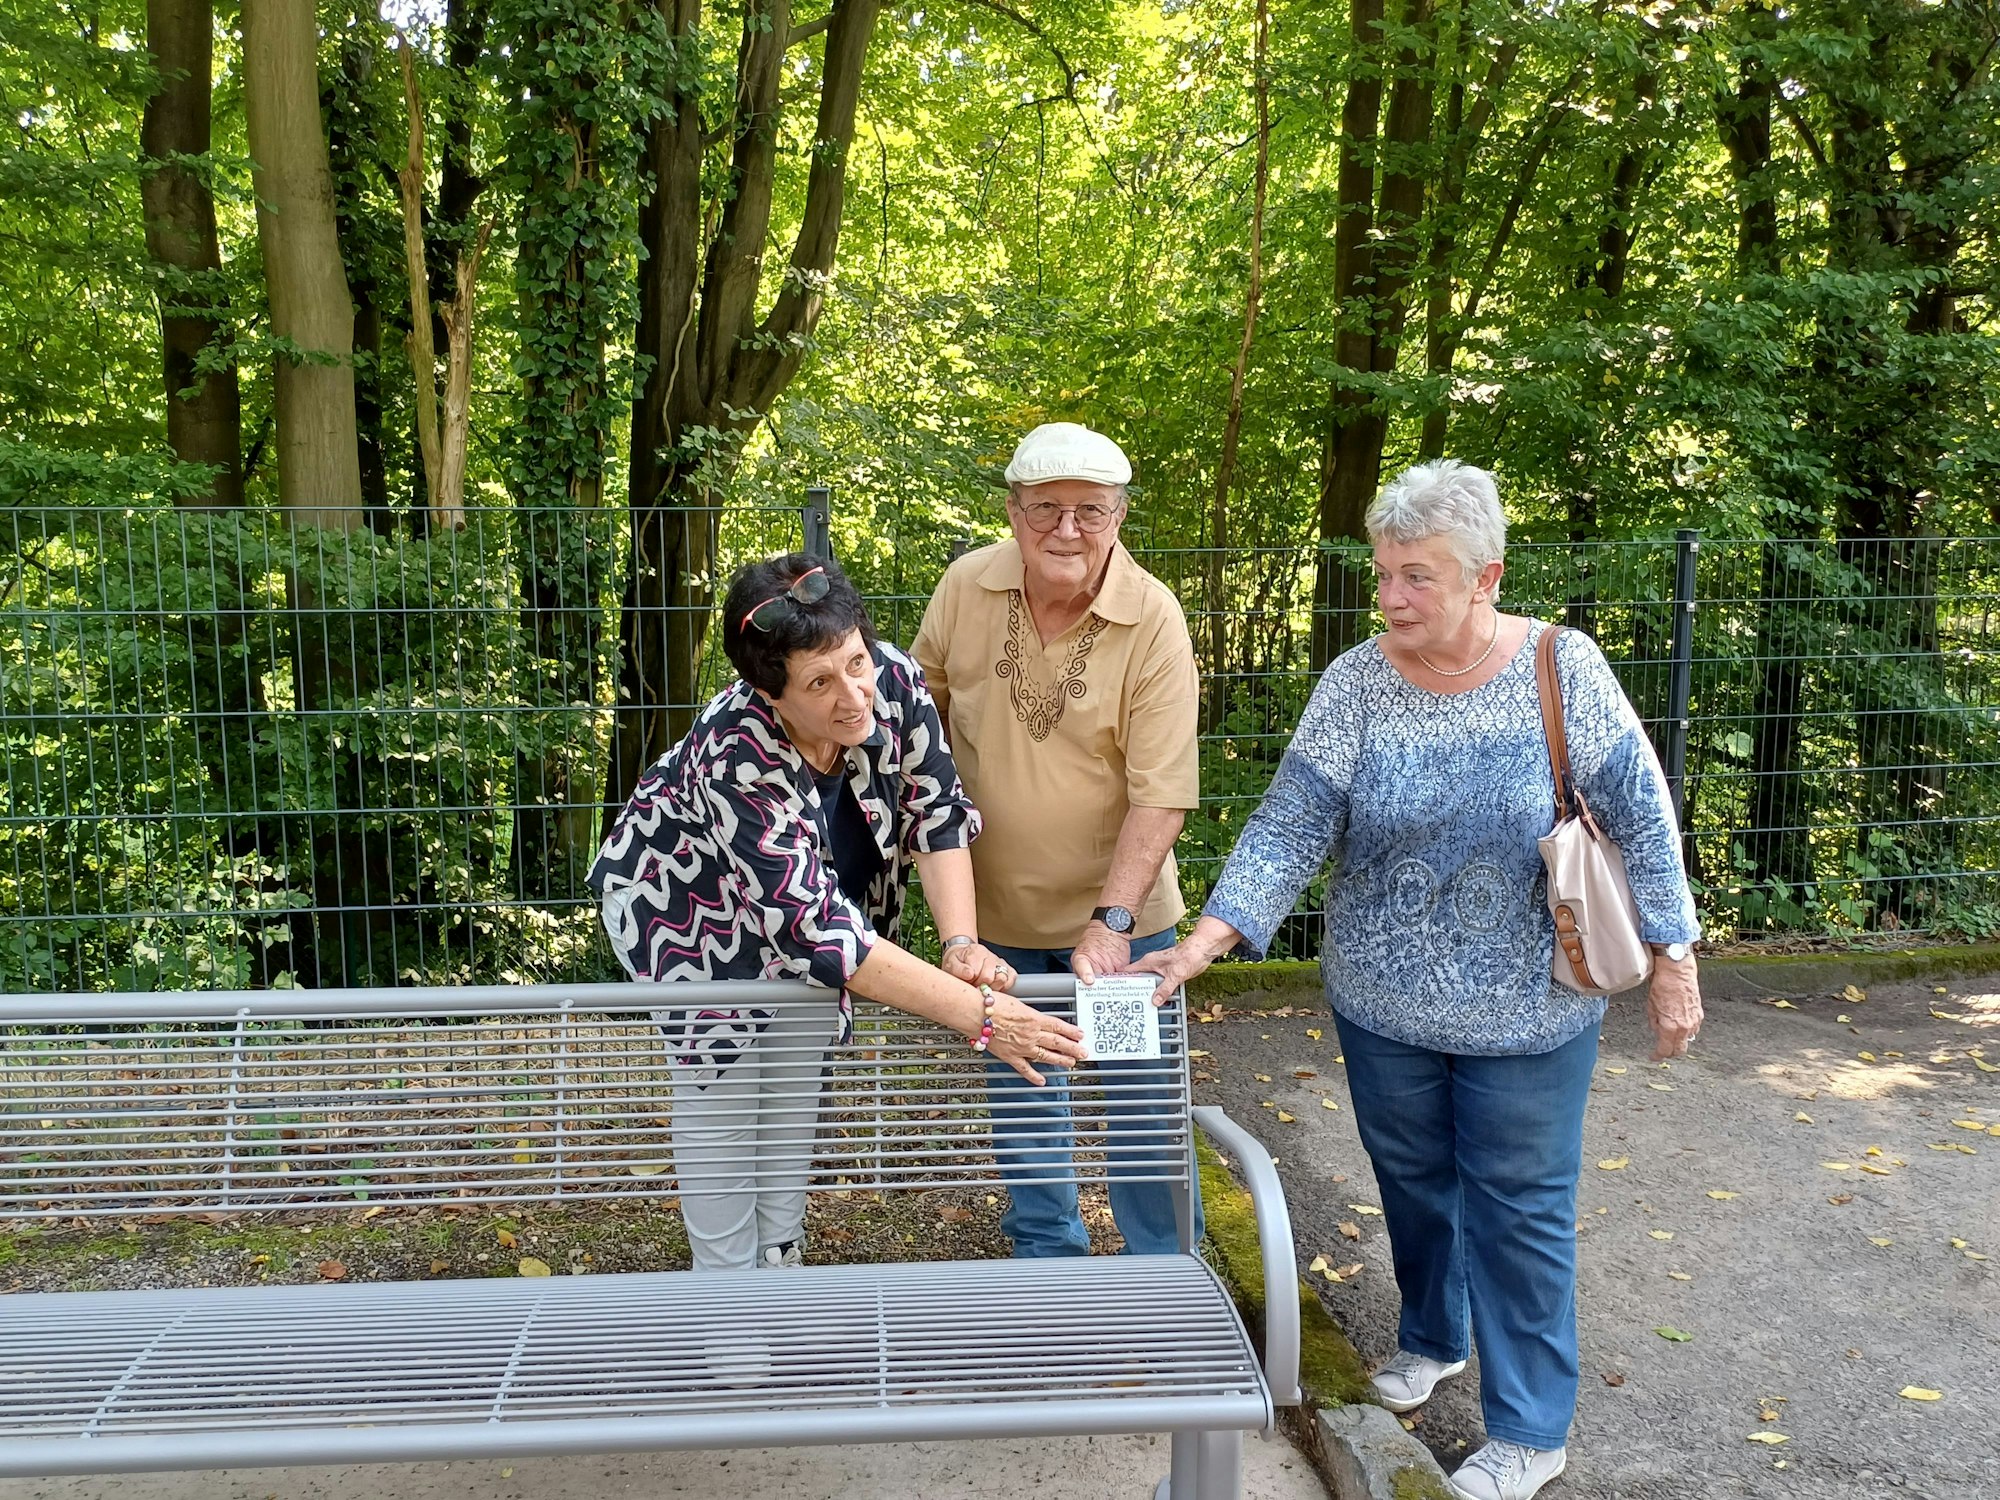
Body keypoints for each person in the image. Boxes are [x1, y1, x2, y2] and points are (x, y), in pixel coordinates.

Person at [1135, 460, 1702, 1500]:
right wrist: (1202, 942)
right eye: (1382, 573)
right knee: (1412, 1183)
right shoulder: (1356, 682)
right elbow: (1290, 821)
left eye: (1416, 577)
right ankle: (1434, 1336)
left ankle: (1529, 1428)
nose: (1390, 597)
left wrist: (1673, 957)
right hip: (1381, 1005)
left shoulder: (1561, 668)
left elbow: (1640, 811)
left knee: (1520, 1209)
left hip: (1528, 1007)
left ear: (1485, 577)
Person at [590, 553, 1084, 1274]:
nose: (855, 697)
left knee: (797, 1071)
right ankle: (726, 1291)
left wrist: (960, 942)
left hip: (820, 901)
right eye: (819, 683)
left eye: (856, 662)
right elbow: (818, 932)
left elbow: (937, 813)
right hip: (691, 905)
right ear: (770, 692)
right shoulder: (736, 749)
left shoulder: (895, 681)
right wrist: (983, 1017)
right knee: (726, 1089)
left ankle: (778, 1258)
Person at [912, 422, 1203, 1258]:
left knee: (1142, 1108)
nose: (1066, 529)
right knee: (1026, 1092)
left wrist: (1111, 923)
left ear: (1118, 516)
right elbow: (918, 723)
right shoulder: (966, 586)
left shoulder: (1152, 616)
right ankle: (1050, 1264)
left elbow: (1162, 794)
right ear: (1014, 511)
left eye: (1089, 510)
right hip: (996, 922)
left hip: (1118, 929)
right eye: (1046, 509)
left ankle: (1164, 1271)